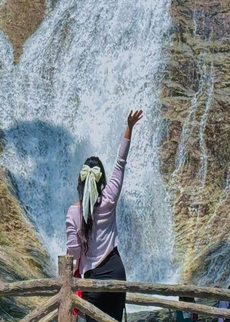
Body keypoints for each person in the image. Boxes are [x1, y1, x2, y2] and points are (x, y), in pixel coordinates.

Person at [65, 109, 143, 321]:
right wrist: (129, 127)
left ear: (80, 181)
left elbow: (73, 253)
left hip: (93, 281)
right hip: (116, 273)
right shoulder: (109, 199)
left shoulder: (73, 212)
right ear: (101, 181)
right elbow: (120, 162)